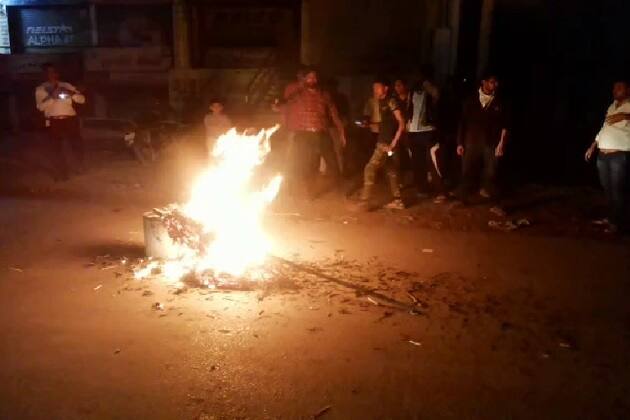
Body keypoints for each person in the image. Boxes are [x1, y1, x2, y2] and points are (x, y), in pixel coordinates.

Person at [286, 67, 346, 198]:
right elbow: (286, 102)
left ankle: (340, 190)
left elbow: (334, 114)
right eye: (309, 77)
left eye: (314, 77)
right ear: (305, 79)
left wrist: (341, 132)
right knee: (310, 165)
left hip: (322, 132)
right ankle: (310, 191)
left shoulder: (324, 95)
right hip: (305, 134)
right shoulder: (298, 94)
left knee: (333, 163)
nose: (312, 80)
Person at [585, 79, 630, 233]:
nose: (615, 90)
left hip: (619, 154)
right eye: (614, 88)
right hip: (603, 155)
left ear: (628, 90)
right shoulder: (612, 106)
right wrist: (592, 146)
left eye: (619, 87)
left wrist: (625, 116)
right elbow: (604, 128)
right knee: (607, 189)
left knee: (617, 190)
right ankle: (610, 218)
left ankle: (617, 224)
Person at [456, 71, 508, 202]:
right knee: (467, 170)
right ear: (483, 82)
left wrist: (501, 143)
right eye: (492, 82)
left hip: (491, 142)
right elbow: (462, 122)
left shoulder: (499, 102)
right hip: (471, 141)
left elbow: (505, 125)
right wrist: (460, 143)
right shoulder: (471, 100)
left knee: (490, 171)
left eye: (496, 82)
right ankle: (464, 197)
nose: (495, 85)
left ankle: (487, 192)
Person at [356, 79, 406, 210]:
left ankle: (365, 201)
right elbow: (387, 124)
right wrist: (369, 125)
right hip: (387, 142)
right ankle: (398, 201)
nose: (375, 90)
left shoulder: (391, 101)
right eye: (374, 88)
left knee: (370, 168)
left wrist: (393, 143)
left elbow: (401, 122)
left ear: (386, 88)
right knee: (391, 170)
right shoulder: (382, 102)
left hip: (386, 143)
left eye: (378, 87)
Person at [35, 63, 86, 181]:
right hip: (54, 121)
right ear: (44, 74)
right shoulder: (41, 89)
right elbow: (40, 107)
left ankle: (79, 166)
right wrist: (52, 96)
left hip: (70, 119)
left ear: (57, 73)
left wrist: (72, 93)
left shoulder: (66, 85)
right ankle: (62, 173)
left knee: (76, 144)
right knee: (56, 148)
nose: (52, 74)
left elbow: (82, 100)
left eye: (54, 71)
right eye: (49, 72)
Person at [405, 73, 446, 203]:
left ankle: (440, 191)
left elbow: (437, 96)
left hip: (428, 131)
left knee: (433, 161)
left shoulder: (431, 91)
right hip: (414, 131)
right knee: (418, 162)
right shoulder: (412, 92)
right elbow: (409, 108)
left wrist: (426, 84)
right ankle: (422, 189)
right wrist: (408, 126)